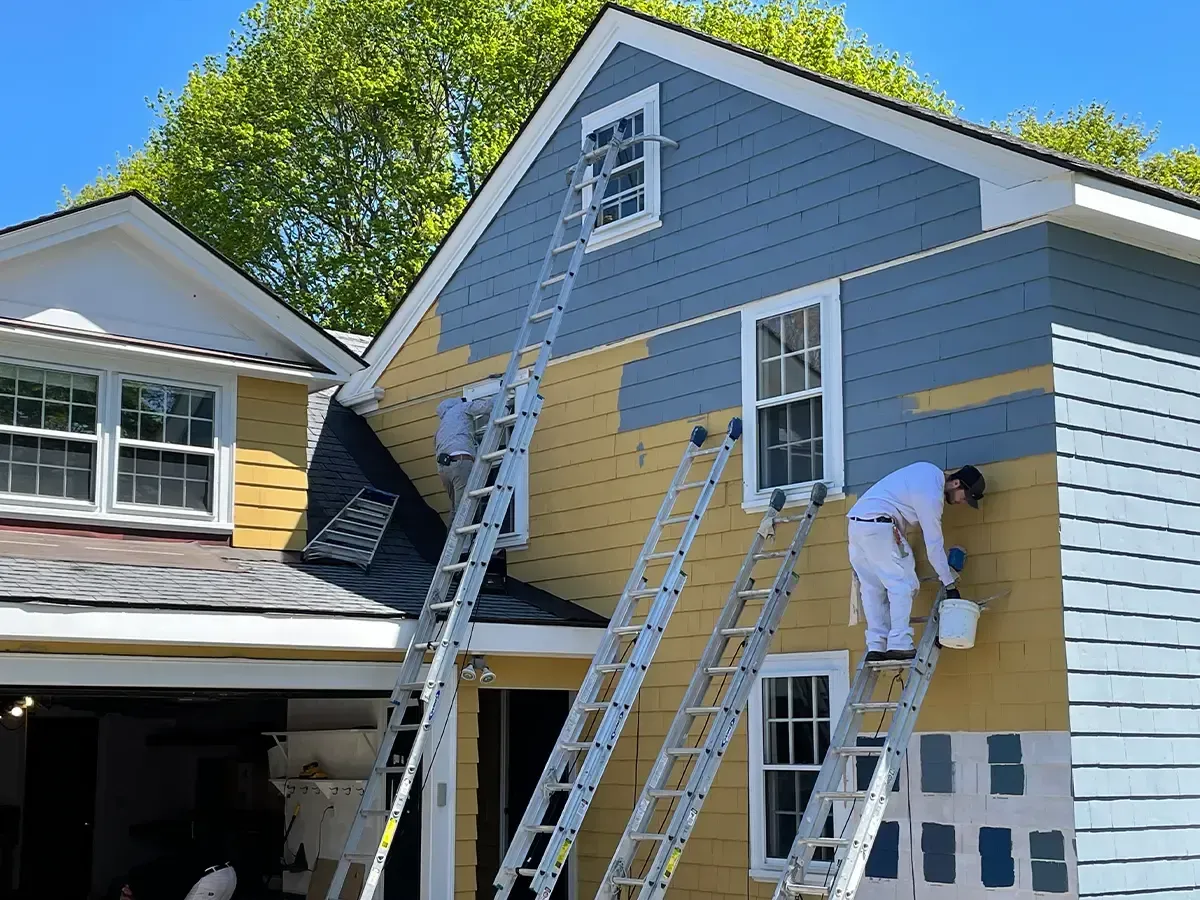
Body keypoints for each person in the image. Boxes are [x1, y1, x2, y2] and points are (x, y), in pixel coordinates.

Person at [847, 462, 985, 662]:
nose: (962, 502)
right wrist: (949, 583)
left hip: (856, 527)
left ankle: (876, 645)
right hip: (879, 525)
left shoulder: (925, 473)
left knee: (872, 588)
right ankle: (900, 643)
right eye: (965, 497)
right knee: (903, 584)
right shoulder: (931, 493)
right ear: (956, 483)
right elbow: (934, 544)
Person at [435, 392, 496, 519]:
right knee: (464, 508)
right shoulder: (461, 408)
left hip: (444, 469)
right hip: (460, 462)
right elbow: (487, 406)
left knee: (456, 509)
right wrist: (505, 397)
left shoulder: (443, 427)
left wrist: (490, 417)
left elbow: (473, 426)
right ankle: (470, 538)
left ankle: (452, 538)